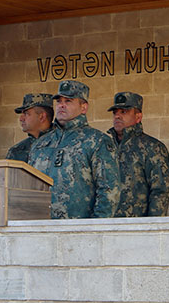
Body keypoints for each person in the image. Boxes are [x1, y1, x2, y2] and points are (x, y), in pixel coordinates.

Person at [29, 79, 121, 218]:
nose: (61, 105)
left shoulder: (97, 141)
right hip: (40, 225)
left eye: (68, 101)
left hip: (79, 227)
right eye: (59, 101)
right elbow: (28, 188)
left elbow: (109, 192)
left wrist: (94, 227)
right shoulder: (40, 143)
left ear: (83, 107)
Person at [107, 91, 169, 216]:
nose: (117, 116)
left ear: (138, 117)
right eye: (115, 112)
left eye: (124, 112)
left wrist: (152, 224)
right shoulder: (106, 147)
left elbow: (161, 191)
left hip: (137, 223)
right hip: (107, 223)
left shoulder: (152, 147)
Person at [6, 93, 54, 163]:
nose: (21, 119)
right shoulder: (16, 151)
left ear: (42, 117)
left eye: (26, 114)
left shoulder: (63, 143)